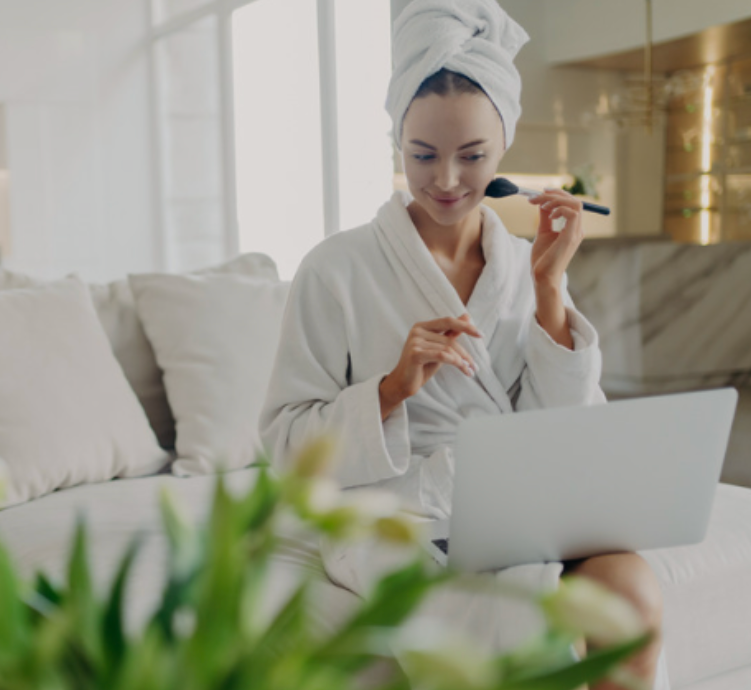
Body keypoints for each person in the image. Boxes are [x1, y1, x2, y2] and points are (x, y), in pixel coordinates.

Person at [258, 1, 665, 688]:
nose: (446, 180)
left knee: (633, 598)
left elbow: (568, 431)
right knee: (508, 623)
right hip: (398, 514)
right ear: (398, 144)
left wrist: (548, 288)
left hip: (522, 508)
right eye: (422, 155)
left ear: (503, 147)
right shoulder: (337, 268)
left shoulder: (522, 264)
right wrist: (392, 389)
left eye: (472, 156)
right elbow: (281, 446)